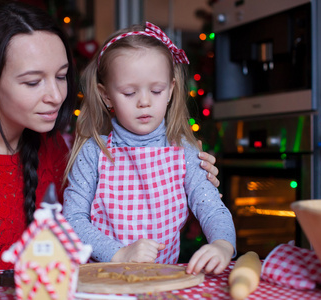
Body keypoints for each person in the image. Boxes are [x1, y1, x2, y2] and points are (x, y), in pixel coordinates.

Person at [0, 3, 219, 271]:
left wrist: (181, 182)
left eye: (61, 76)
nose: (57, 96)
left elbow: (88, 224)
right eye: (33, 82)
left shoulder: (49, 141)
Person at [63, 22, 236, 275]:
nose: (144, 102)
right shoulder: (93, 153)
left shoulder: (184, 152)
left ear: (171, 91)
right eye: (129, 92)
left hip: (162, 281)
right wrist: (120, 254)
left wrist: (223, 244)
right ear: (106, 95)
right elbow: (72, 220)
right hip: (103, 280)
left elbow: (211, 207)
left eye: (156, 90)